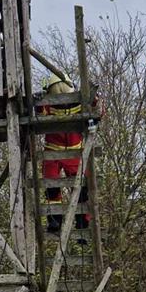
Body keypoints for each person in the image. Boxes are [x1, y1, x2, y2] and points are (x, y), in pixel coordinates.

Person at [37, 71, 89, 235]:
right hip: (59, 151)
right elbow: (39, 114)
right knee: (52, 188)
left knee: (81, 190)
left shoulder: (76, 101)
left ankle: (80, 224)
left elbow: (97, 110)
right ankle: (56, 222)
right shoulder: (74, 101)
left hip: (69, 151)